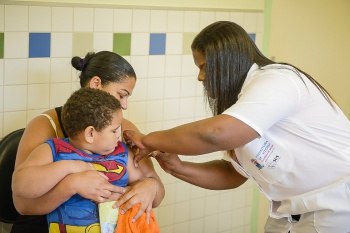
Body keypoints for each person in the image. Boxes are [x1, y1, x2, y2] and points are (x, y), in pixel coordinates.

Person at [123, 21, 350, 233]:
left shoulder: (277, 81)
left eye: (203, 67)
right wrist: (178, 167)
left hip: (334, 207)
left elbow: (216, 134)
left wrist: (148, 139)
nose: (200, 78)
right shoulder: (244, 103)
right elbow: (233, 174)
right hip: (289, 214)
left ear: (227, 61)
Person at [11, 51, 164, 233]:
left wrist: (150, 187)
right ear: (95, 84)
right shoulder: (47, 126)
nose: (125, 105)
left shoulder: (122, 130)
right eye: (121, 95)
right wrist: (71, 184)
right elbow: (22, 204)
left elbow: (156, 191)